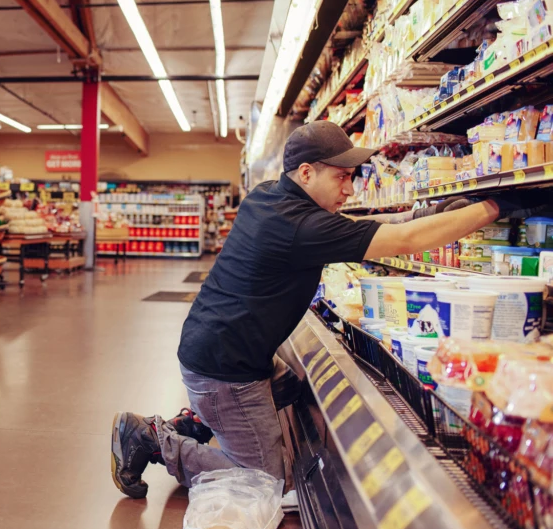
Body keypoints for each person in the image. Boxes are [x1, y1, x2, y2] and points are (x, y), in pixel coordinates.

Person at [110, 120, 550, 500]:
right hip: (226, 369)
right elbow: (406, 243)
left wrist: (424, 211)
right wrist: (495, 206)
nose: (351, 187)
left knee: (292, 390)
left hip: (221, 348)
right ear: (306, 172)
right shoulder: (300, 226)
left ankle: (198, 420)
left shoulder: (273, 197)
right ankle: (154, 439)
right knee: (264, 482)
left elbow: (356, 227)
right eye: (342, 176)